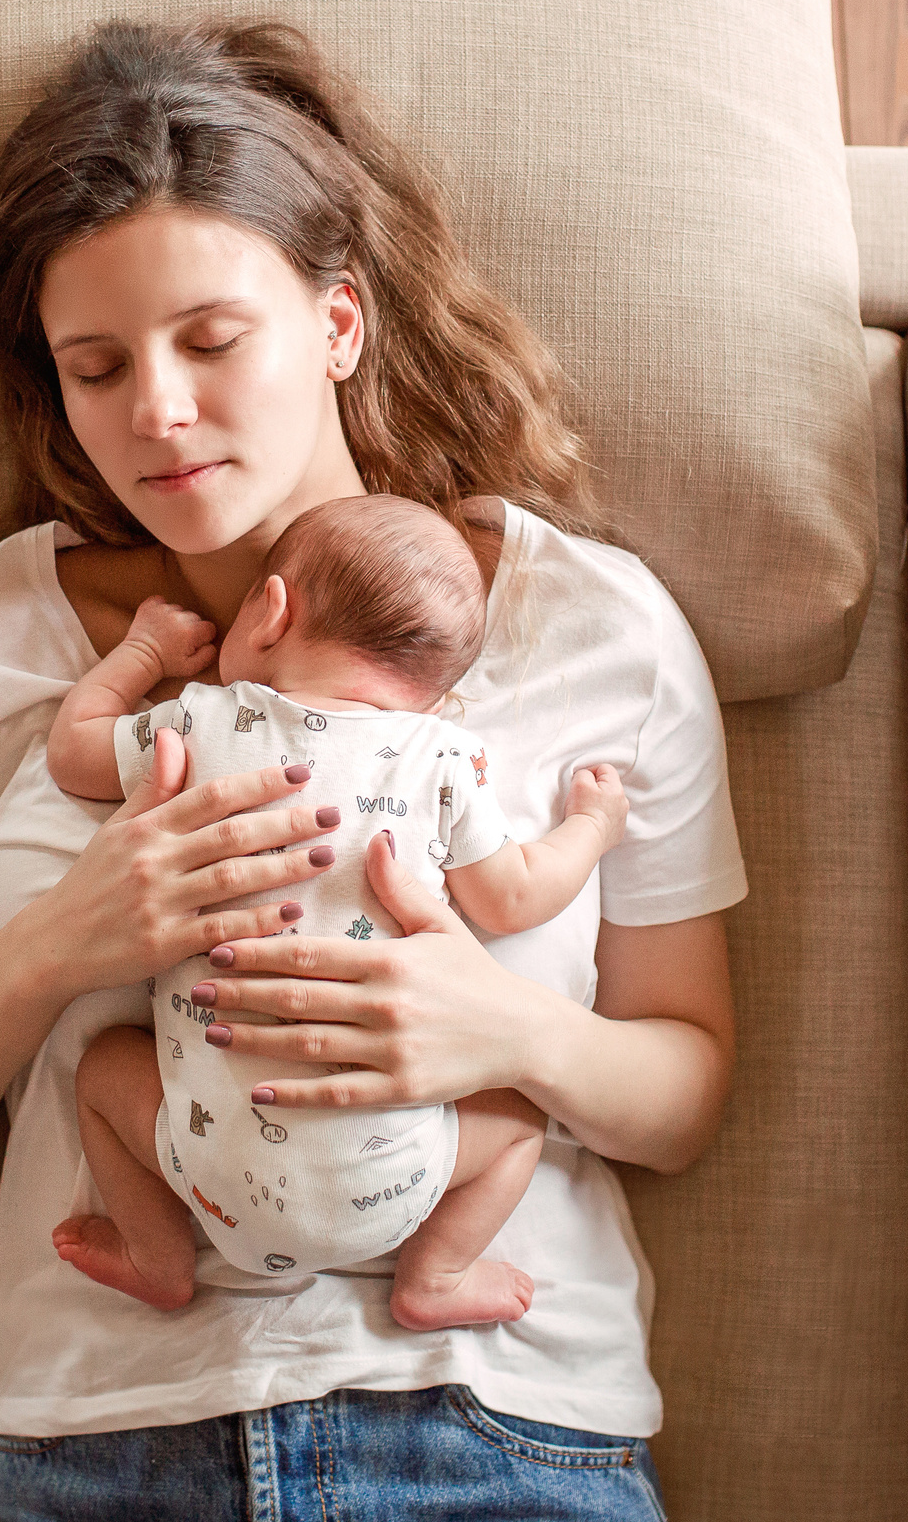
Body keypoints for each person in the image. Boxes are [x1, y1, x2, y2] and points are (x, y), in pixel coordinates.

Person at [0, 13, 744, 1520]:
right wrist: (65, 940)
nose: (157, 413)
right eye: (96, 367)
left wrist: (493, 1025)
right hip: (103, 1446)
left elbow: (683, 1092)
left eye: (211, 340)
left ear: (338, 321)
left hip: (496, 1437)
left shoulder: (596, 628)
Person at [42, 492, 631, 1330]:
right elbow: (515, 895)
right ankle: (435, 1274)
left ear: (270, 610)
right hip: (392, 1185)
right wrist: (591, 827)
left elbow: (74, 753)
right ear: (435, 696)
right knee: (519, 1117)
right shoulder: (442, 758)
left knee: (104, 1069)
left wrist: (143, 652)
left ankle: (158, 1255)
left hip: (209, 1172)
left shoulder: (206, 720)